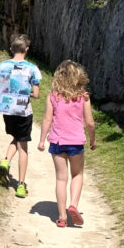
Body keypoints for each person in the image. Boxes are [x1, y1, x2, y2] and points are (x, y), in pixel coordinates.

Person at [37, 60, 96, 228]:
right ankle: (73, 206)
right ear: (79, 76)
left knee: (61, 179)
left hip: (57, 142)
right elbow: (90, 122)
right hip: (76, 142)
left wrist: (42, 140)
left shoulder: (53, 95)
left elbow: (47, 119)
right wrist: (93, 140)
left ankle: (62, 216)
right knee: (77, 175)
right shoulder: (83, 97)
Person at [0, 34, 41, 198]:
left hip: (7, 110)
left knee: (16, 137)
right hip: (23, 111)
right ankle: (21, 185)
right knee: (23, 148)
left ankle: (5, 161)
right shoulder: (32, 68)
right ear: (26, 49)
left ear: (11, 49)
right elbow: (36, 94)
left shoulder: (1, 66)